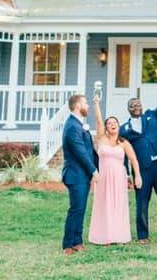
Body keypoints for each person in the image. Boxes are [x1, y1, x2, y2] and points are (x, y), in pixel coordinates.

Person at [119, 79, 157, 245]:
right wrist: (129, 173)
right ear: (128, 109)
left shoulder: (151, 116)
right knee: (142, 202)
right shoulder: (124, 129)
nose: (136, 107)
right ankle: (142, 235)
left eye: (138, 104)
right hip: (142, 171)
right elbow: (124, 154)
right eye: (132, 105)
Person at [88, 98, 142, 245]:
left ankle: (118, 235)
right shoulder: (101, 138)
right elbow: (99, 120)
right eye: (109, 123)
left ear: (119, 126)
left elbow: (134, 160)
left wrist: (137, 176)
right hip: (103, 177)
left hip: (119, 177)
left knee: (118, 205)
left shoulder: (124, 142)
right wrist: (97, 104)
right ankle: (104, 236)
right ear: (106, 127)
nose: (112, 124)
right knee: (104, 205)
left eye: (115, 123)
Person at [61, 94, 98, 255]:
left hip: (82, 175)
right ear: (77, 105)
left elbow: (89, 150)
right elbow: (80, 152)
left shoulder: (78, 124)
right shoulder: (72, 126)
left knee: (81, 209)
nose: (88, 106)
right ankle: (68, 244)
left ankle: (77, 241)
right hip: (76, 175)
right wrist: (93, 170)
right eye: (86, 103)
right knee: (76, 209)